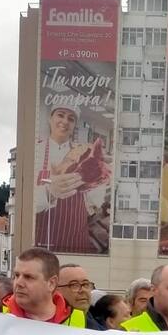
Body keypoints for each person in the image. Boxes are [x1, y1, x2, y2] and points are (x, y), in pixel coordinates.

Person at [34, 105, 108, 253]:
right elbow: (25, 202)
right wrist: (49, 192)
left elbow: (95, 199)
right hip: (42, 240)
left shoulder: (83, 153)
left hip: (76, 238)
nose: (65, 121)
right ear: (50, 118)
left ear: (74, 125)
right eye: (60, 115)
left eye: (71, 119)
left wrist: (97, 177)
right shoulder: (35, 152)